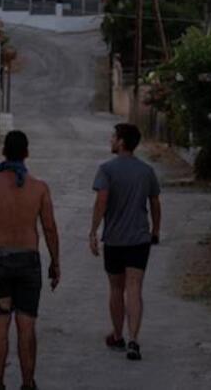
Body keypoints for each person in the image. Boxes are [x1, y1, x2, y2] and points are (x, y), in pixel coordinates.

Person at [0, 130, 60, 390]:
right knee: (26, 326)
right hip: (29, 261)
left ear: (3, 152)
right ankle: (28, 383)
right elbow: (50, 228)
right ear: (26, 153)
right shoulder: (40, 188)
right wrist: (55, 262)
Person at [89, 123, 161, 361]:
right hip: (139, 238)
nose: (110, 141)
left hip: (115, 239)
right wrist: (156, 230)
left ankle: (118, 335)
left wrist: (93, 231)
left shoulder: (107, 170)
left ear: (121, 142)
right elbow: (155, 202)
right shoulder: (146, 171)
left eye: (113, 137)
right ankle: (134, 340)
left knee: (116, 289)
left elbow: (102, 200)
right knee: (135, 289)